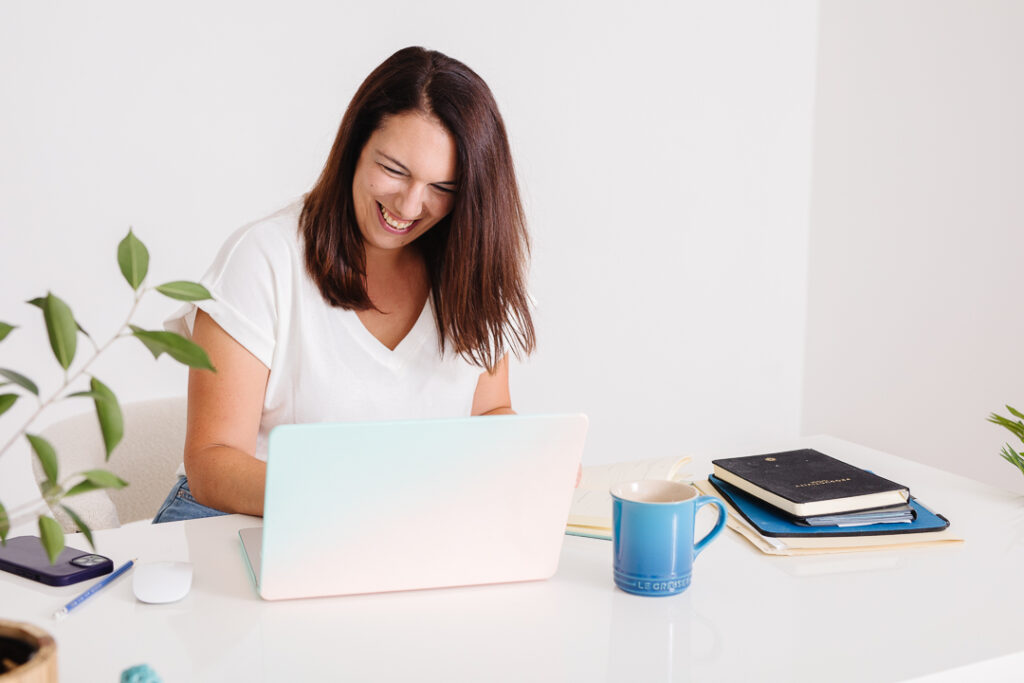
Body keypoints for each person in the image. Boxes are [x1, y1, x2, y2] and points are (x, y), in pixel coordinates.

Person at [153, 46, 535, 523]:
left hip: (389, 531)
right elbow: (211, 461)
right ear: (354, 145)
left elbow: (488, 413)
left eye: (442, 189)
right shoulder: (264, 258)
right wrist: (355, 503)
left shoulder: (469, 272)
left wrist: (532, 457)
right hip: (240, 521)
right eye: (394, 170)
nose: (411, 206)